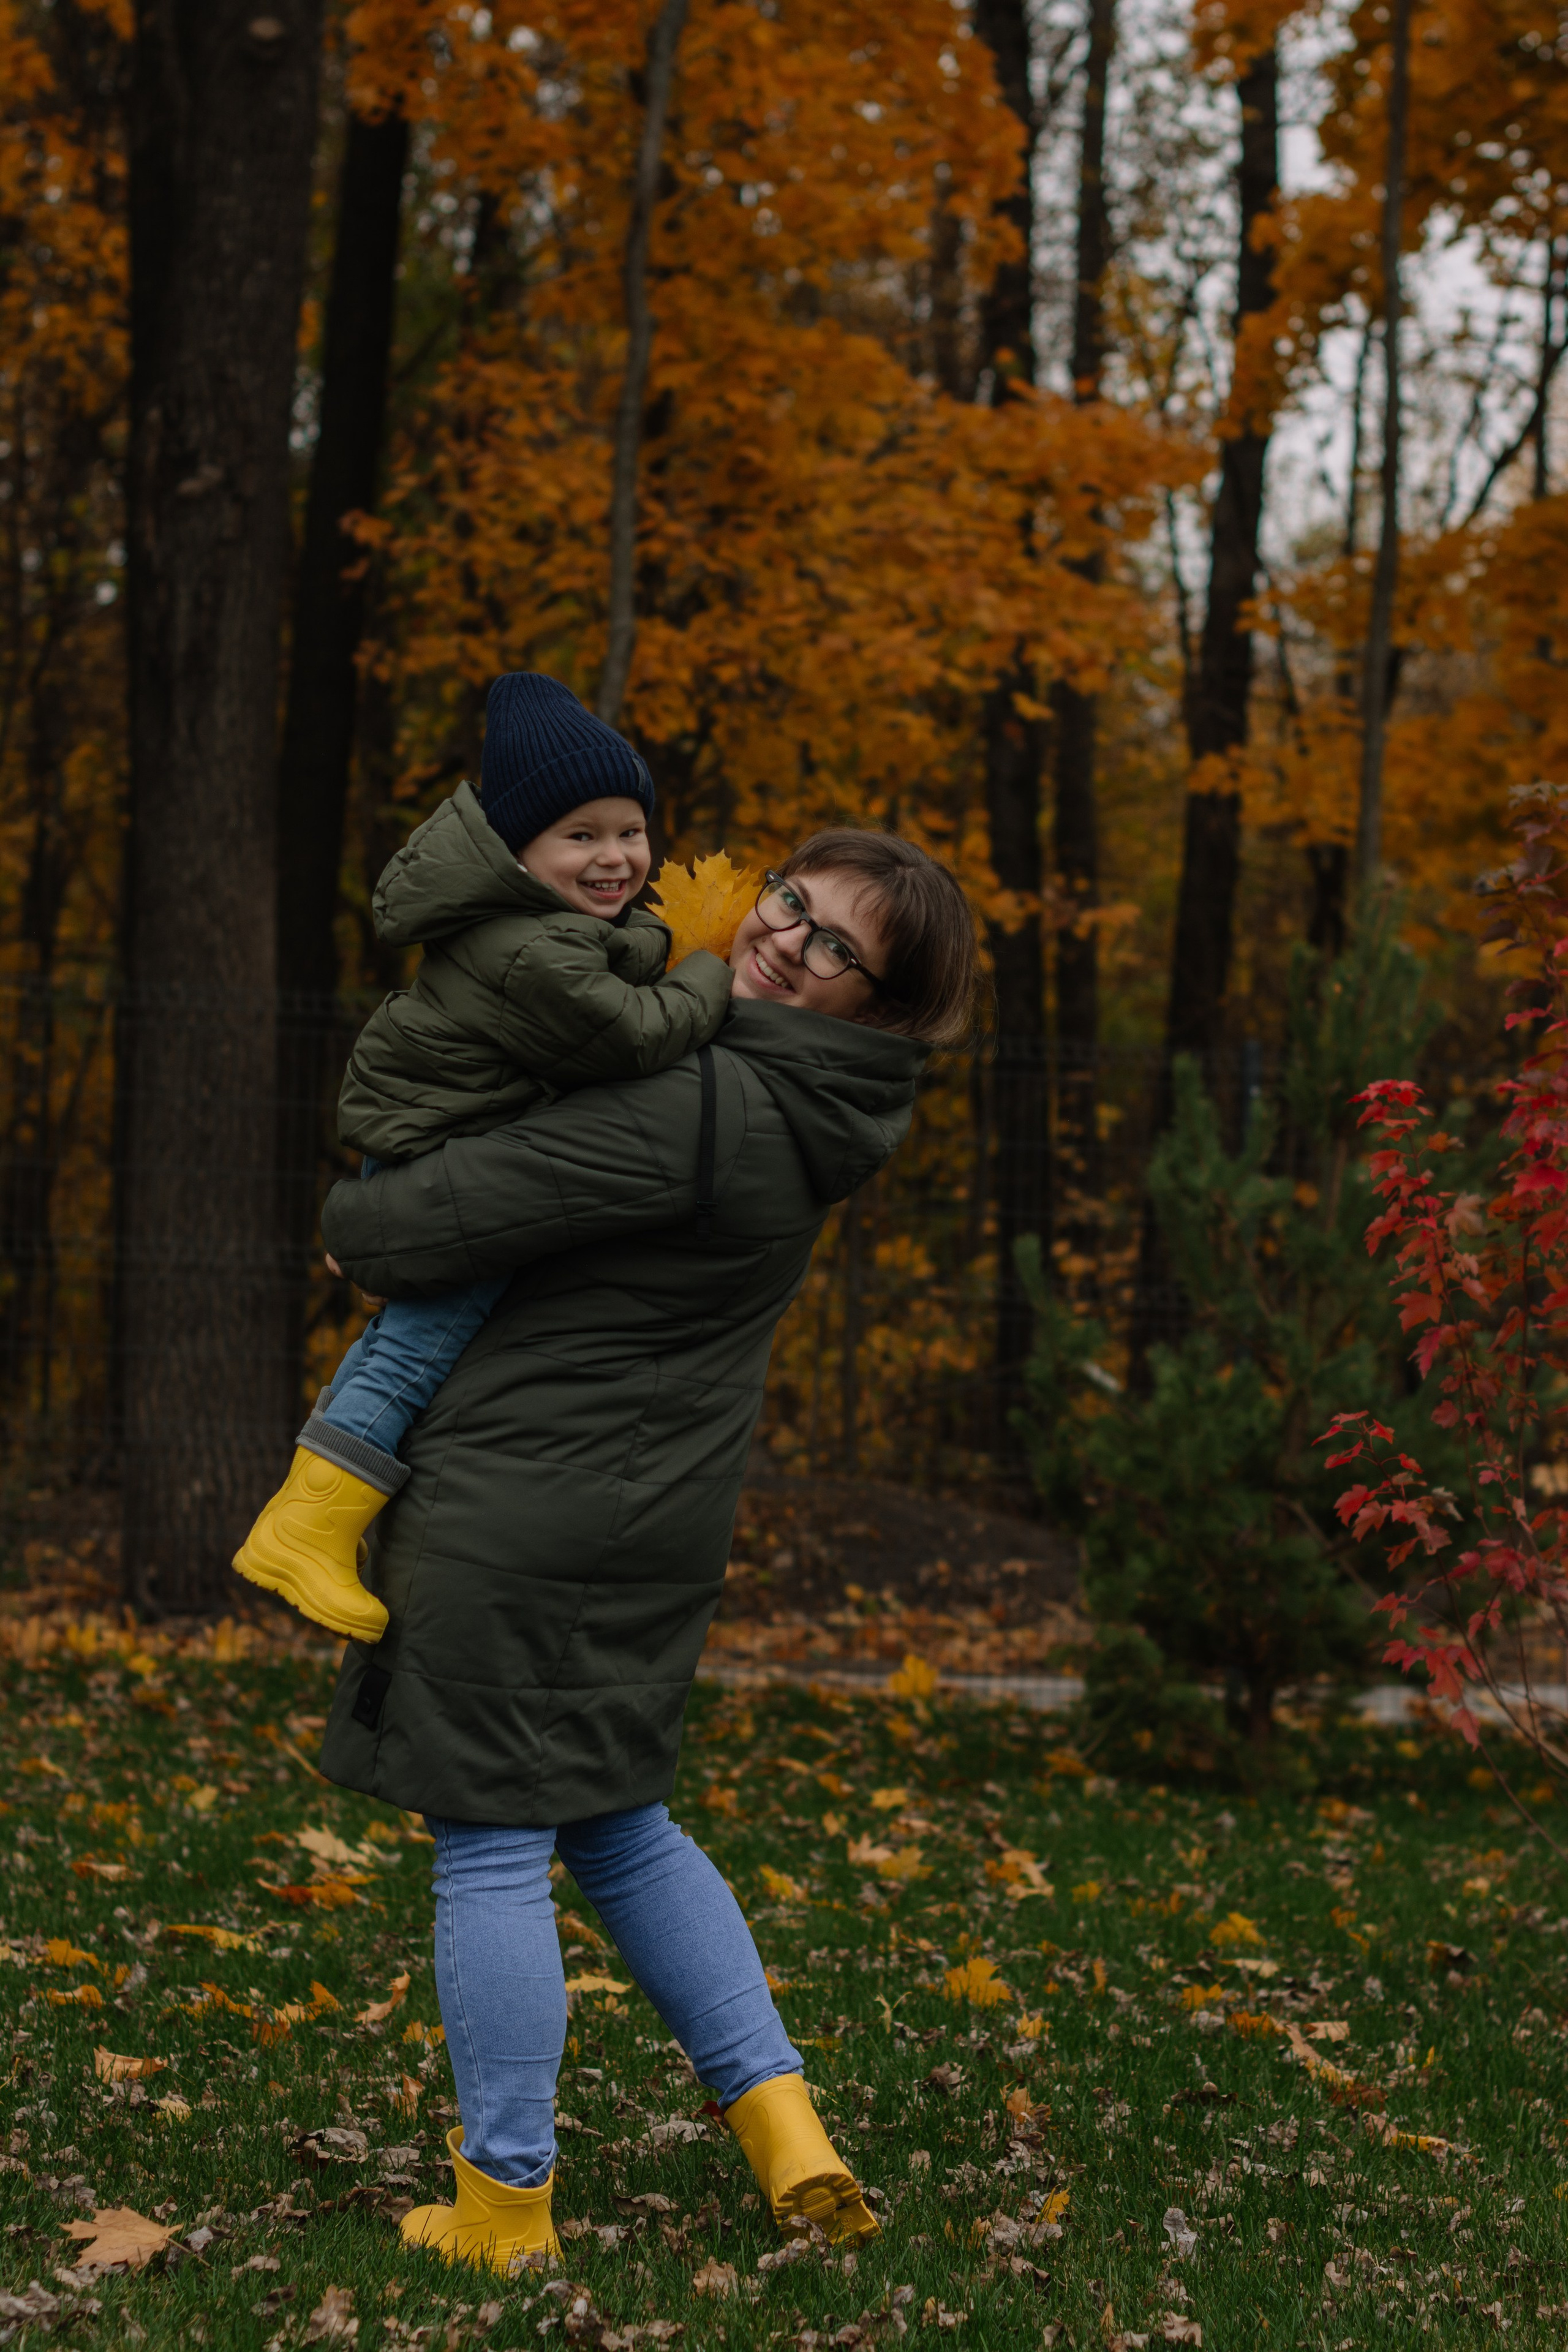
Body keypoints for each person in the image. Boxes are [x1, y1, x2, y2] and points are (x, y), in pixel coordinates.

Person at [314, 827, 979, 2275]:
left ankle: (502, 2208)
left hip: (524, 1512)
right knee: (617, 1824)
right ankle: (784, 2129)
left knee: (488, 1845)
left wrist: (353, 1213)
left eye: (836, 948)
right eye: (792, 902)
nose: (788, 940)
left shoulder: (708, 1101)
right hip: (648, 1520)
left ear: (877, 1004)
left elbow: (424, 1219)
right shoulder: (814, 1110)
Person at [233, 673, 732, 1643]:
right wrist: (709, 966)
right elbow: (630, 1036)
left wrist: (664, 939)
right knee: (418, 1344)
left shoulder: (542, 929)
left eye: (629, 831)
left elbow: (616, 965)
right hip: (437, 1157)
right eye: (580, 837)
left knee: (405, 1340)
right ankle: (305, 1530)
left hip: (442, 1143)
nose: (615, 857)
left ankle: (323, 1516)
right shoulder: (525, 951)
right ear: (517, 853)